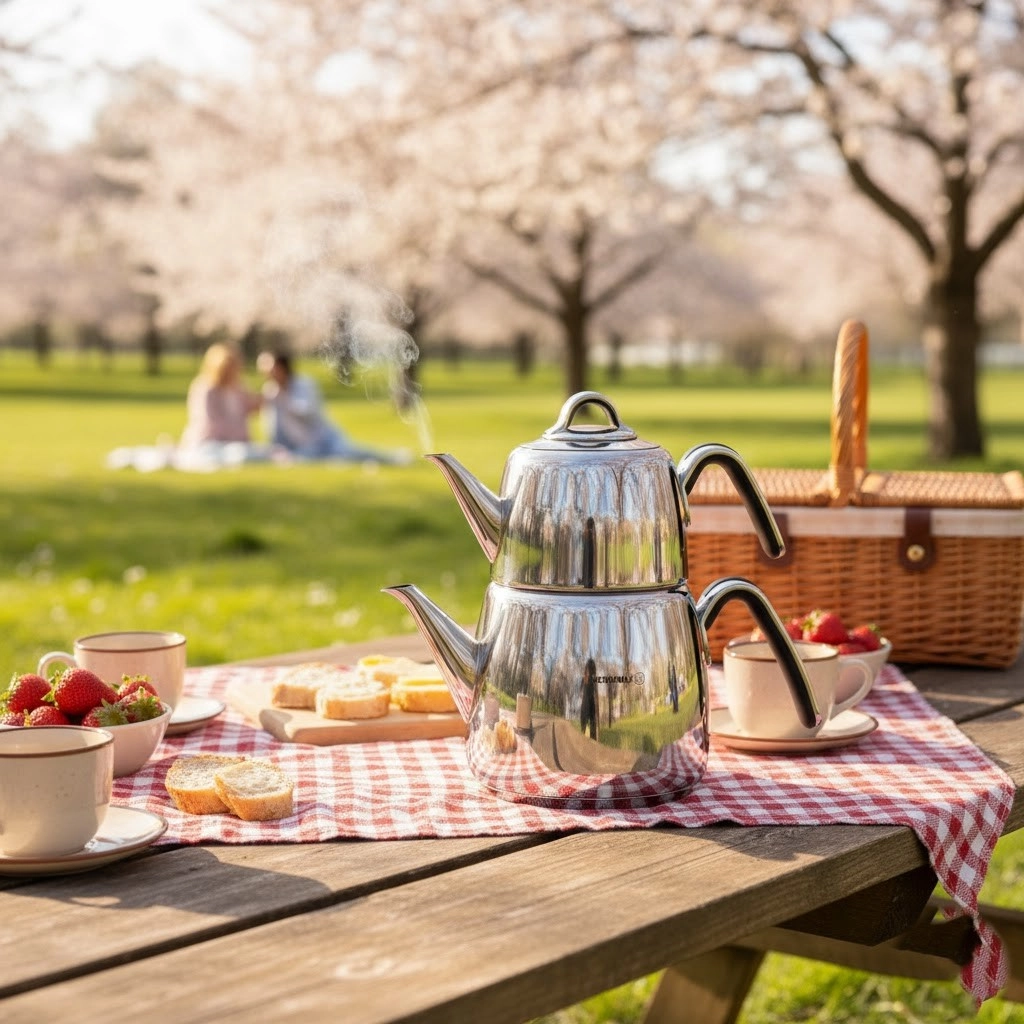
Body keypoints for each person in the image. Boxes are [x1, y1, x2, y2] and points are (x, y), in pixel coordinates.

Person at [257, 350, 410, 464]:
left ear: (282, 367)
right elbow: (273, 424)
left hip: (324, 439)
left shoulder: (304, 384)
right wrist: (276, 447)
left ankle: (392, 458)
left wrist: (283, 399)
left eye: (270, 367)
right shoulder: (270, 390)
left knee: (350, 453)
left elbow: (307, 412)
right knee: (301, 460)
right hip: (303, 447)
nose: (267, 372)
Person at [178, 342, 268, 465]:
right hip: (210, 440)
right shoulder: (206, 389)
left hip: (236, 442)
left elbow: (251, 406)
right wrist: (236, 435)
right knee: (233, 455)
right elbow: (210, 421)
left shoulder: (238, 387)